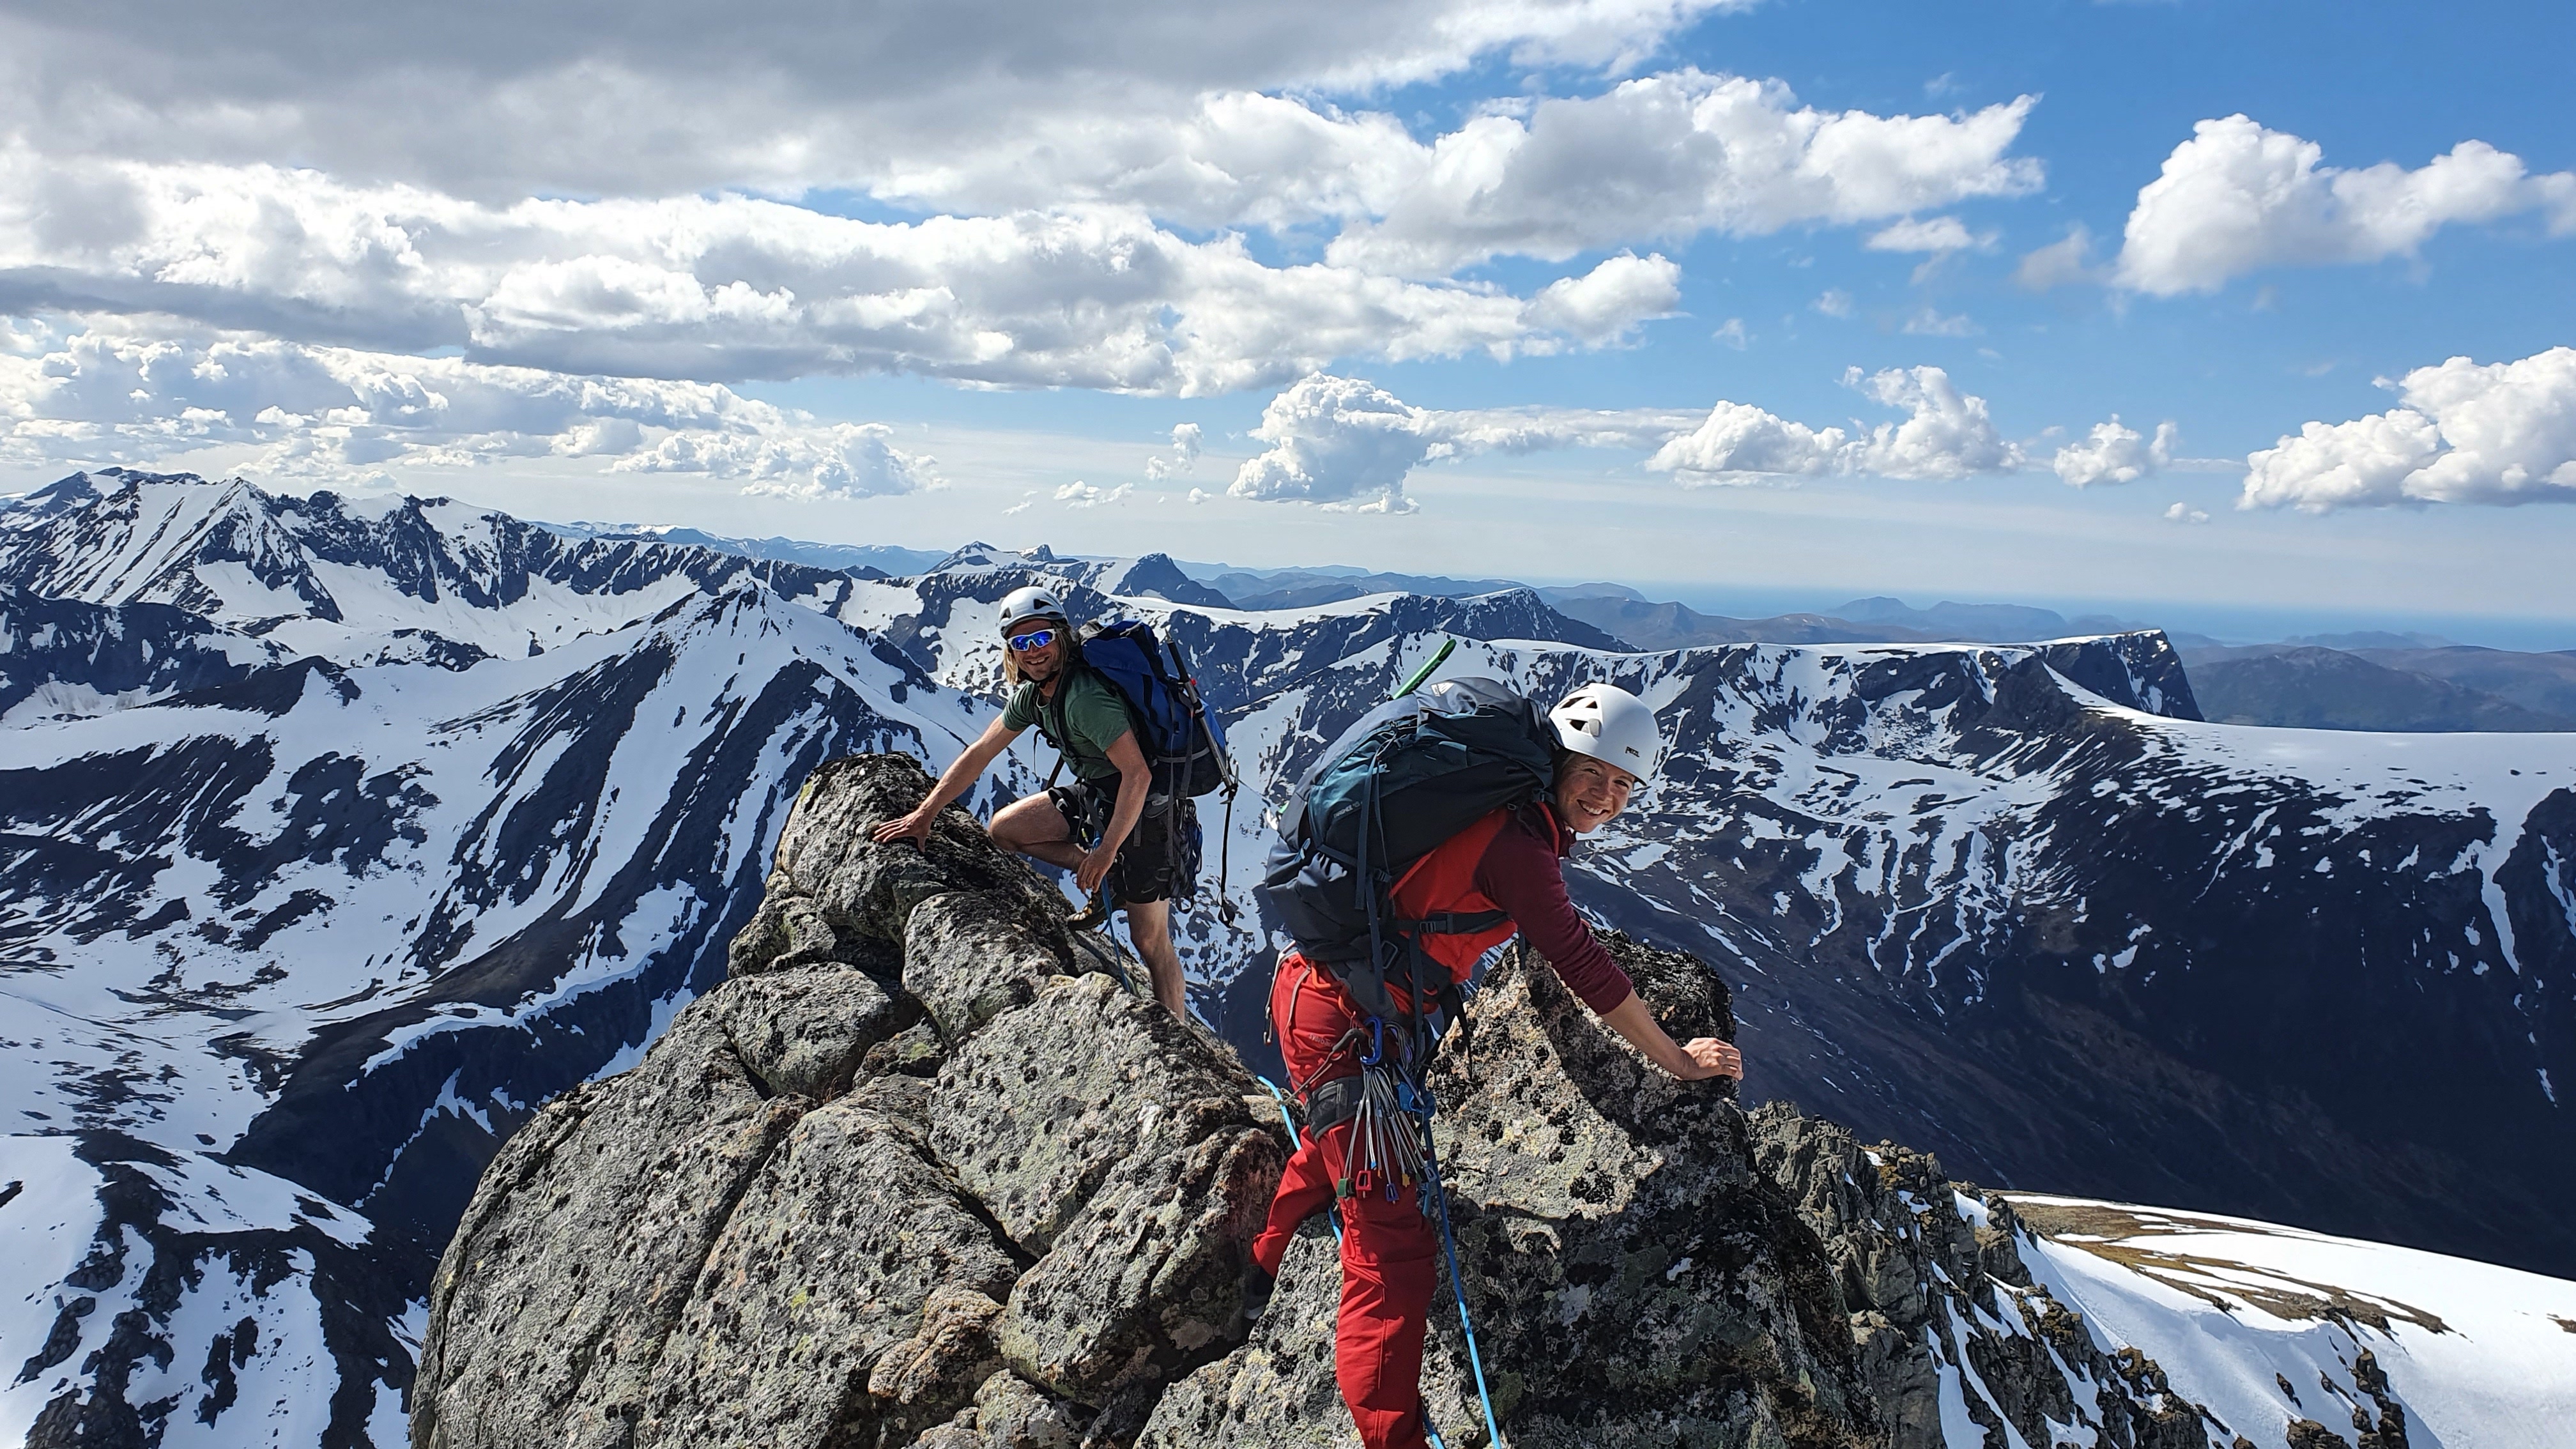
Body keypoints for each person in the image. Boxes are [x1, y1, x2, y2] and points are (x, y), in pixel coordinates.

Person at [1247, 682, 1743, 1449]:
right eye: (1594, 774)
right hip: (1347, 1024)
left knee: (1335, 1142)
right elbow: (1581, 960)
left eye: (1623, 785)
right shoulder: (1520, 847)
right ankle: (1393, 1437)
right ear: (1558, 761)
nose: (1607, 797)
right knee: (1393, 1249)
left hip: (1334, 999)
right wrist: (1676, 1059)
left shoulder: (1505, 811)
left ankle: (1262, 1265)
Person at [871, 585, 1195, 1014]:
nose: (1033, 651)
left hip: (1147, 810)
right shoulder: (1033, 696)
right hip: (1098, 793)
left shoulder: (1086, 699)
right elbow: (980, 753)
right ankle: (1108, 878)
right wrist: (925, 813)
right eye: (1021, 643)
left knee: (1150, 940)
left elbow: (1138, 775)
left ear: (1061, 636)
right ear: (1011, 650)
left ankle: (1176, 1040)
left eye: (1042, 638)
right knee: (1005, 830)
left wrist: (1106, 850)